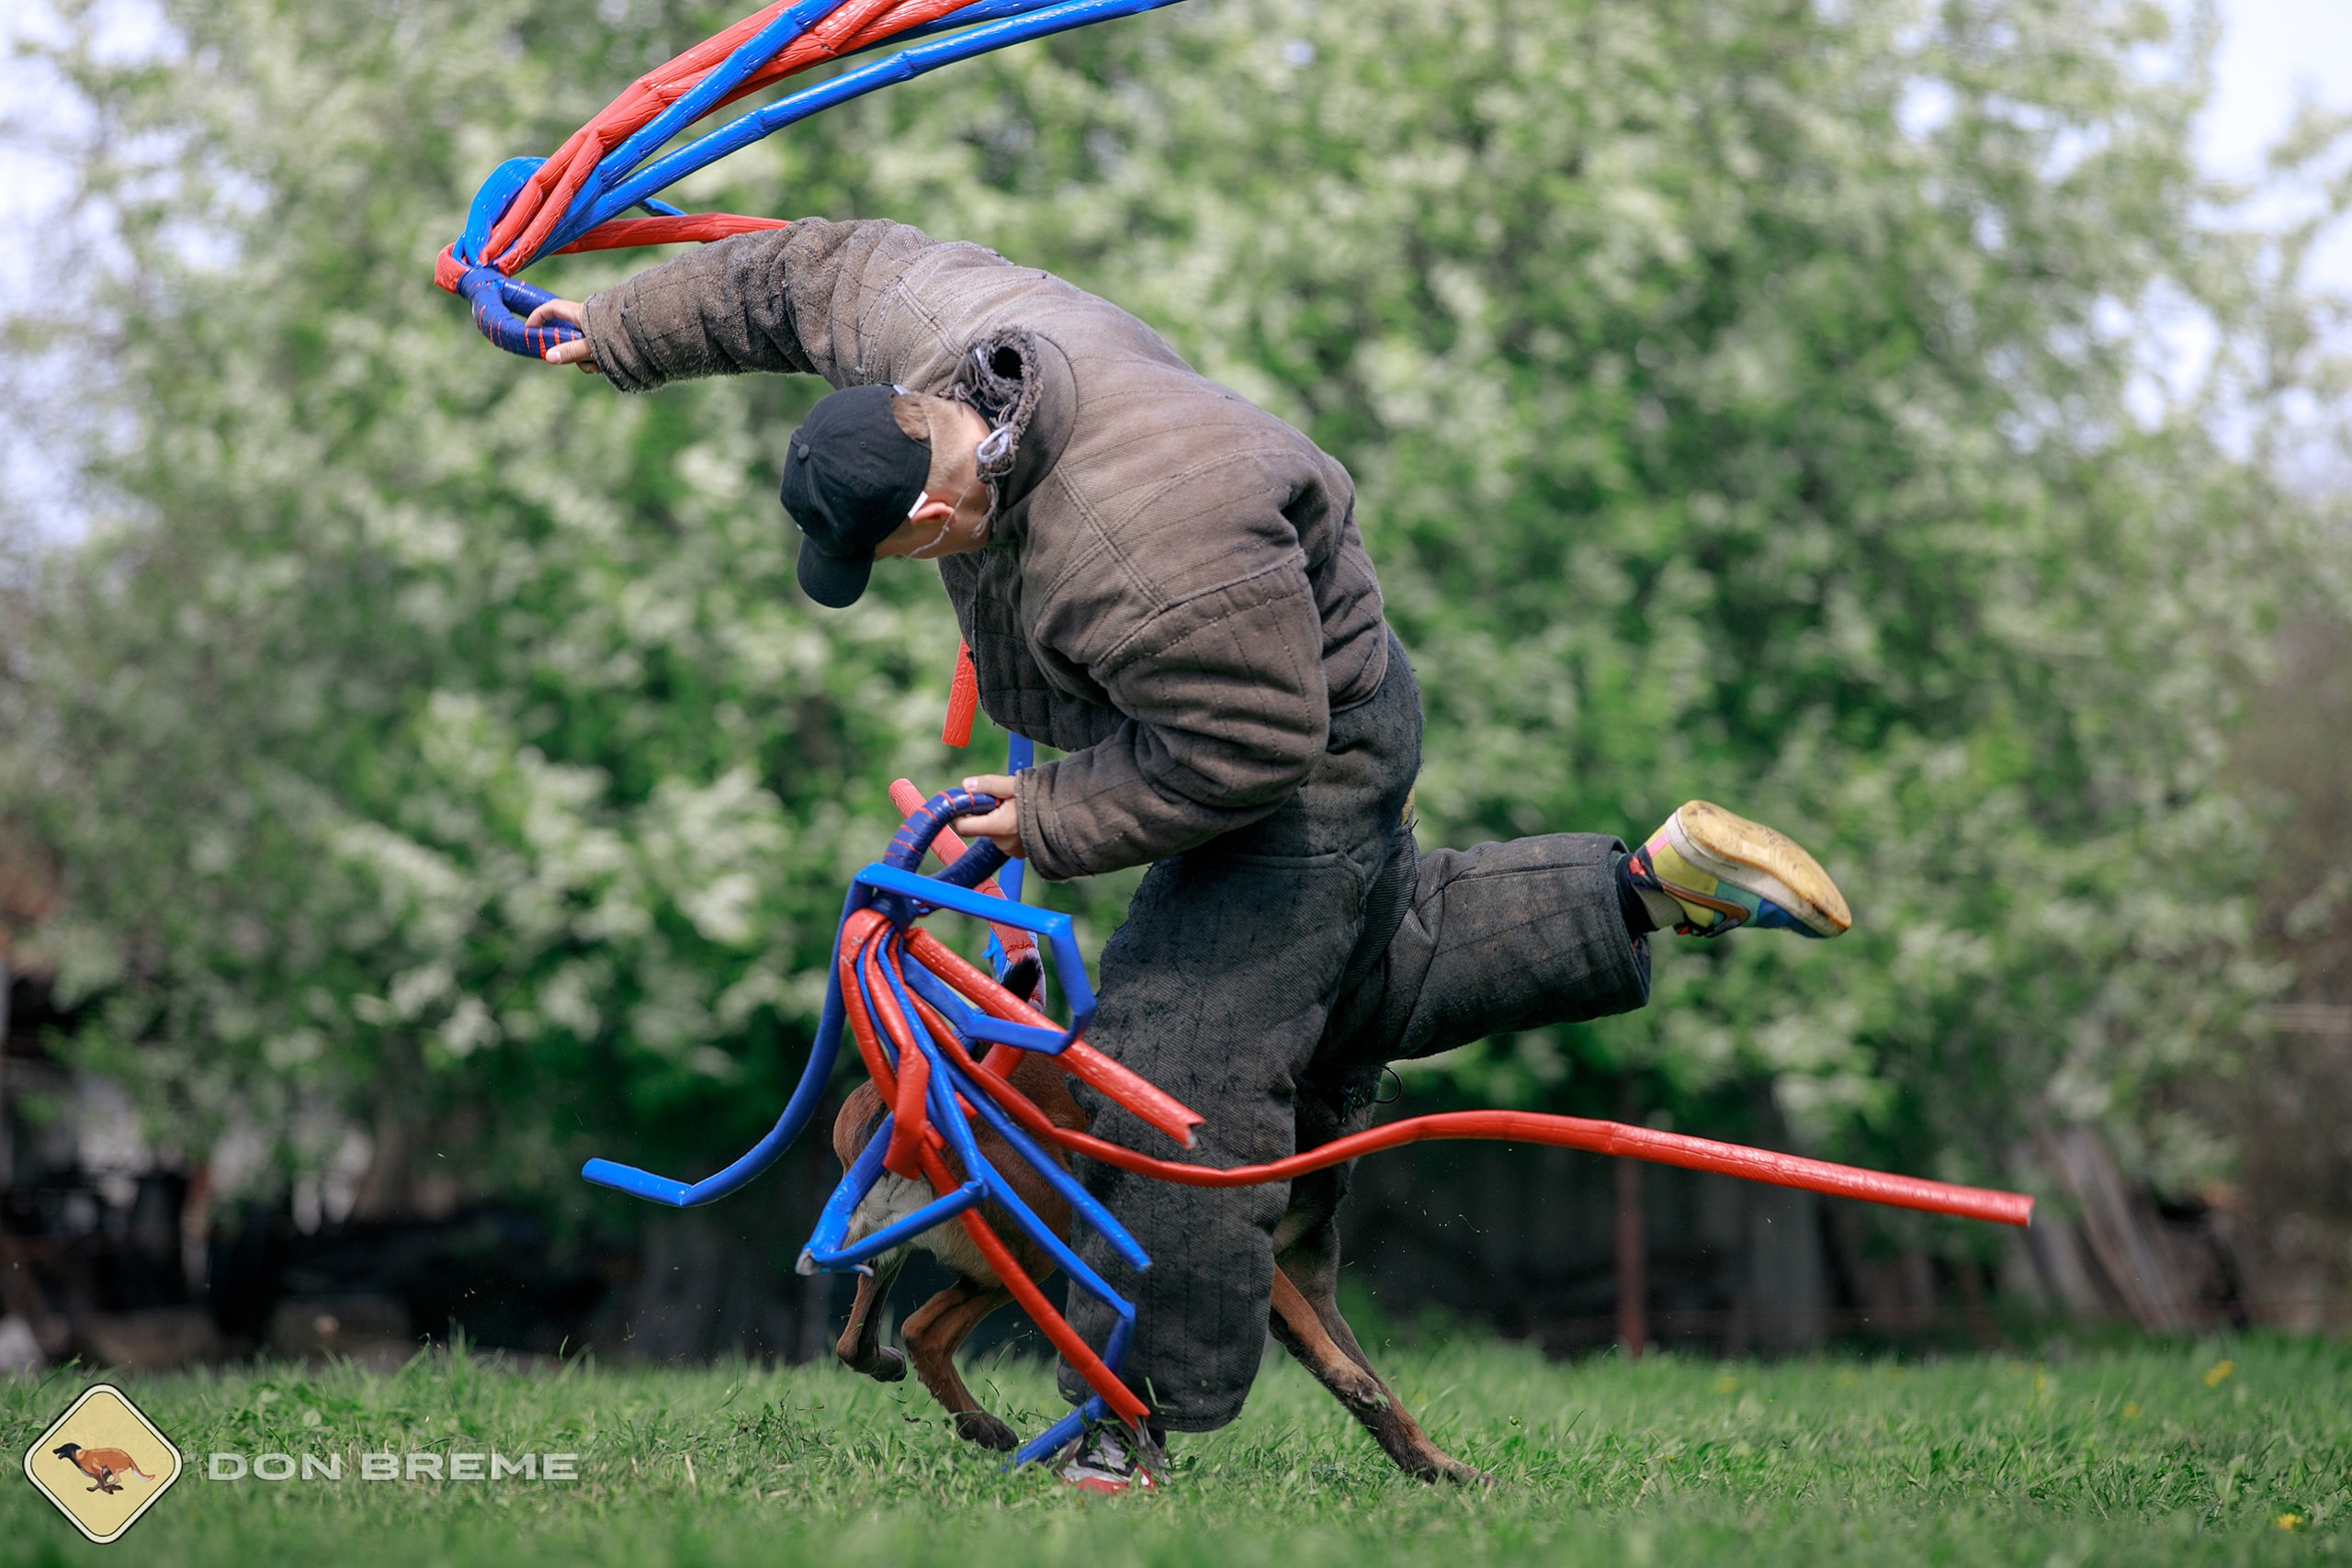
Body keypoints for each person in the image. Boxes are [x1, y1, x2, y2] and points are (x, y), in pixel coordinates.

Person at [525, 219, 1851, 1489]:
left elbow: (1246, 755)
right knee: (1361, 977)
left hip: (1299, 743)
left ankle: (1131, 1421)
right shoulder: (940, 333)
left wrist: (1046, 817)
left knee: (1166, 1076)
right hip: (1240, 692)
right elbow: (806, 273)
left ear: (927, 518)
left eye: (879, 554)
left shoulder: (1144, 559)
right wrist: (619, 327)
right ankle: (1650, 888)